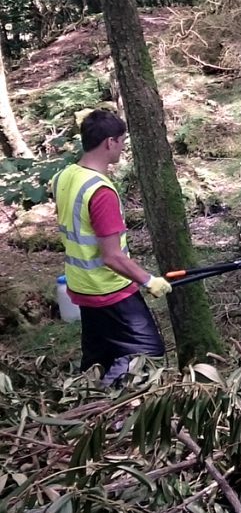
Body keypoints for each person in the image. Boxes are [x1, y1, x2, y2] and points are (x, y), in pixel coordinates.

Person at [50, 109, 168, 386]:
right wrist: (149, 280)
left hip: (81, 286)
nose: (122, 147)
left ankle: (88, 399)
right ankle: (116, 404)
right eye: (121, 141)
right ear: (109, 142)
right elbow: (112, 256)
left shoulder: (64, 177)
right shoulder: (100, 192)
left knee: (99, 355)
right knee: (148, 354)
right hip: (109, 289)